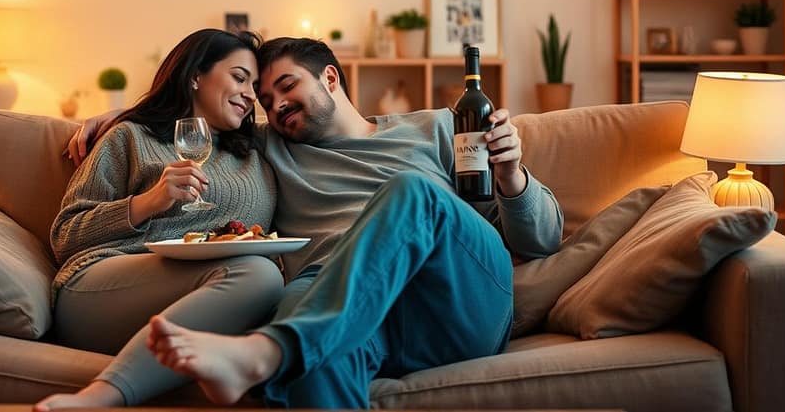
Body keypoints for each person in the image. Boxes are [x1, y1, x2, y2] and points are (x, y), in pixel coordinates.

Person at [71, 37, 563, 409]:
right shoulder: (267, 148)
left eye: (287, 86)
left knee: (414, 192)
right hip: (344, 308)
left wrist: (511, 175)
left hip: (454, 301)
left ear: (330, 78)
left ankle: (268, 352)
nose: (277, 105)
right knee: (302, 324)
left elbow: (541, 240)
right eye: (265, 100)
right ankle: (290, 347)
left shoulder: (437, 126)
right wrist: (123, 116)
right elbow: (199, 114)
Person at [34, 29, 283, 410]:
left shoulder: (256, 150)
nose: (251, 95)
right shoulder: (129, 137)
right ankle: (102, 396)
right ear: (195, 75)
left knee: (269, 283)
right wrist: (149, 202)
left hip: (212, 289)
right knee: (260, 275)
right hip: (101, 287)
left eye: (256, 87)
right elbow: (66, 234)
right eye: (239, 77)